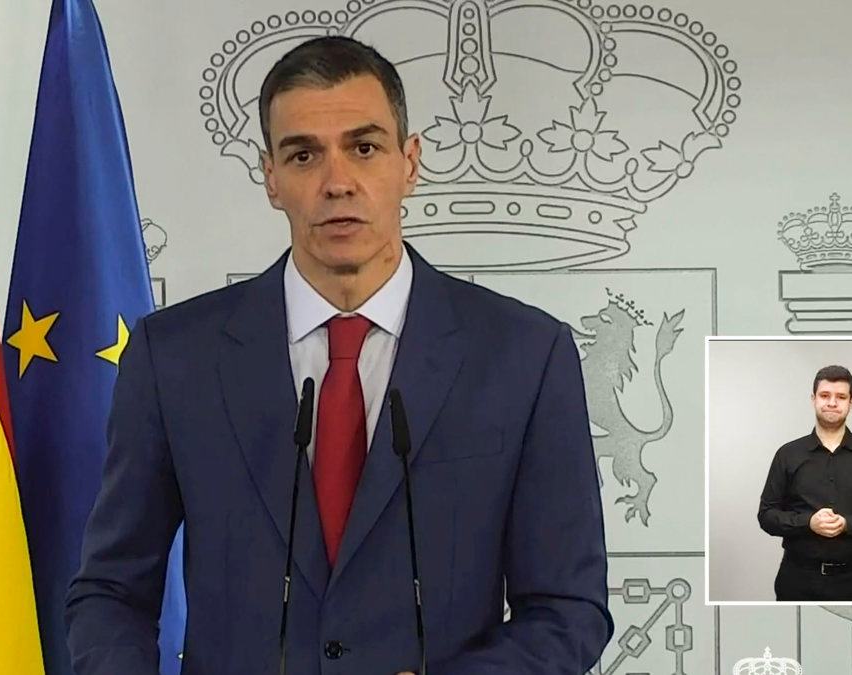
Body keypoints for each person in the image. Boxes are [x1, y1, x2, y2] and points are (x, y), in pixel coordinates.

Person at [65, 36, 613, 673]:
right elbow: (110, 592)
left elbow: (568, 609)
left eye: (364, 147)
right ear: (271, 177)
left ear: (410, 162)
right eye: (304, 155)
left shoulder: (524, 355)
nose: (337, 182)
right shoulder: (173, 358)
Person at [757, 365, 852, 601]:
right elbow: (766, 516)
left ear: (851, 402)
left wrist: (849, 524)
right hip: (797, 580)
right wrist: (808, 523)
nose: (832, 403)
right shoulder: (787, 454)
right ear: (813, 399)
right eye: (825, 395)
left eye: (841, 397)